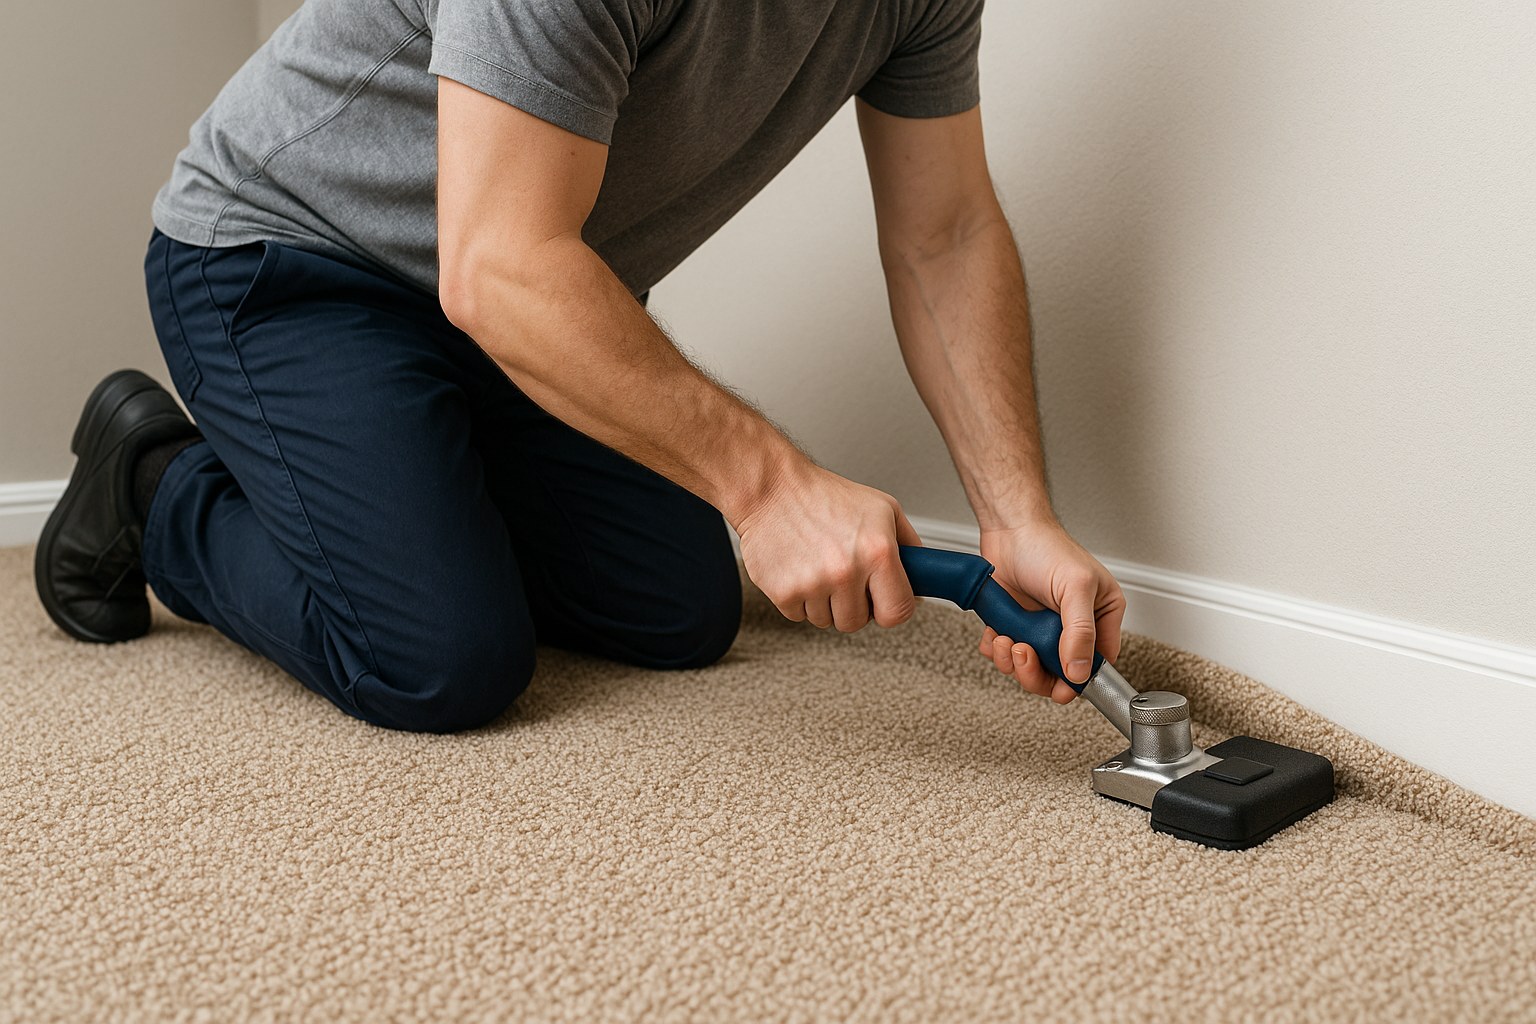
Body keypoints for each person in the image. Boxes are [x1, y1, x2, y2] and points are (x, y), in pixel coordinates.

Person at [35, 0, 1126, 733]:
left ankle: (404, 488)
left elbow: (945, 233)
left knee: (680, 608)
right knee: (439, 659)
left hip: (521, 303)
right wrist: (768, 484)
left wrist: (1017, 512)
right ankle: (154, 484)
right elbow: (499, 265)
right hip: (291, 260)